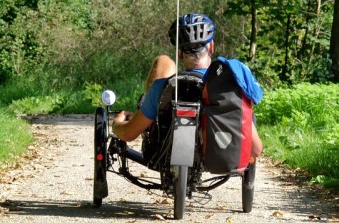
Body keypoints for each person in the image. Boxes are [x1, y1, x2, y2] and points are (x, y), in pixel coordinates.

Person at [111, 13, 263, 158]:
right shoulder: (227, 87)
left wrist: (117, 124)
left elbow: (128, 134)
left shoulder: (162, 87)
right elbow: (255, 150)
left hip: (163, 155)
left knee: (163, 61)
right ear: (211, 47)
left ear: (179, 53)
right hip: (215, 154)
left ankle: (147, 111)